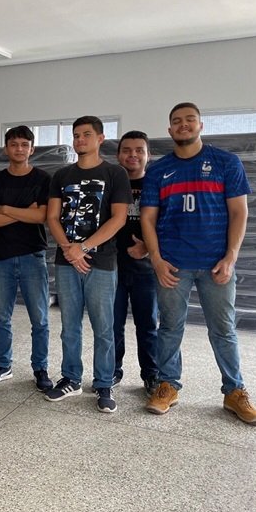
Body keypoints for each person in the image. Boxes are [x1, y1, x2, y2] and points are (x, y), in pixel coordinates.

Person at [140, 102, 256, 425]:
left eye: (190, 120)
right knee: (169, 328)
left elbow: (239, 212)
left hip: (216, 265)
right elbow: (148, 218)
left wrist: (231, 256)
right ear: (169, 130)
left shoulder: (226, 163)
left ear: (201, 126)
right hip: (173, 265)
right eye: (177, 121)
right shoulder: (158, 170)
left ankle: (234, 391)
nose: (183, 125)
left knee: (223, 329)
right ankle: (168, 385)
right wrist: (156, 259)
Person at [45, 116, 131, 414]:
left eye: (86, 134)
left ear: (100, 138)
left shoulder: (115, 173)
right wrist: (69, 250)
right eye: (76, 135)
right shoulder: (61, 175)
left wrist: (82, 247)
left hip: (101, 261)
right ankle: (71, 378)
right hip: (67, 261)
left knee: (103, 326)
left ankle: (104, 383)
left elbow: (119, 218)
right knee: (70, 325)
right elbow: (52, 217)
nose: (80, 140)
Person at [0, 126, 53, 391]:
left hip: (33, 255)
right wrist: (26, 211)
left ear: (32, 149)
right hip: (1, 258)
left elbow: (42, 216)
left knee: (40, 318)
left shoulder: (43, 179)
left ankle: (40, 368)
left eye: (24, 144)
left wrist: (7, 209)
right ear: (6, 148)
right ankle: (3, 365)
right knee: (2, 317)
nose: (19, 149)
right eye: (14, 144)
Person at [112, 130, 159, 395]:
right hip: (112, 267)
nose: (133, 155)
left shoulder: (156, 184)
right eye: (127, 150)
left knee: (148, 325)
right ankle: (112, 371)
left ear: (148, 155)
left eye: (139, 150)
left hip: (147, 269)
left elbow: (168, 222)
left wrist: (148, 248)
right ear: (118, 155)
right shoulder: (111, 183)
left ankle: (151, 375)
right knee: (112, 325)